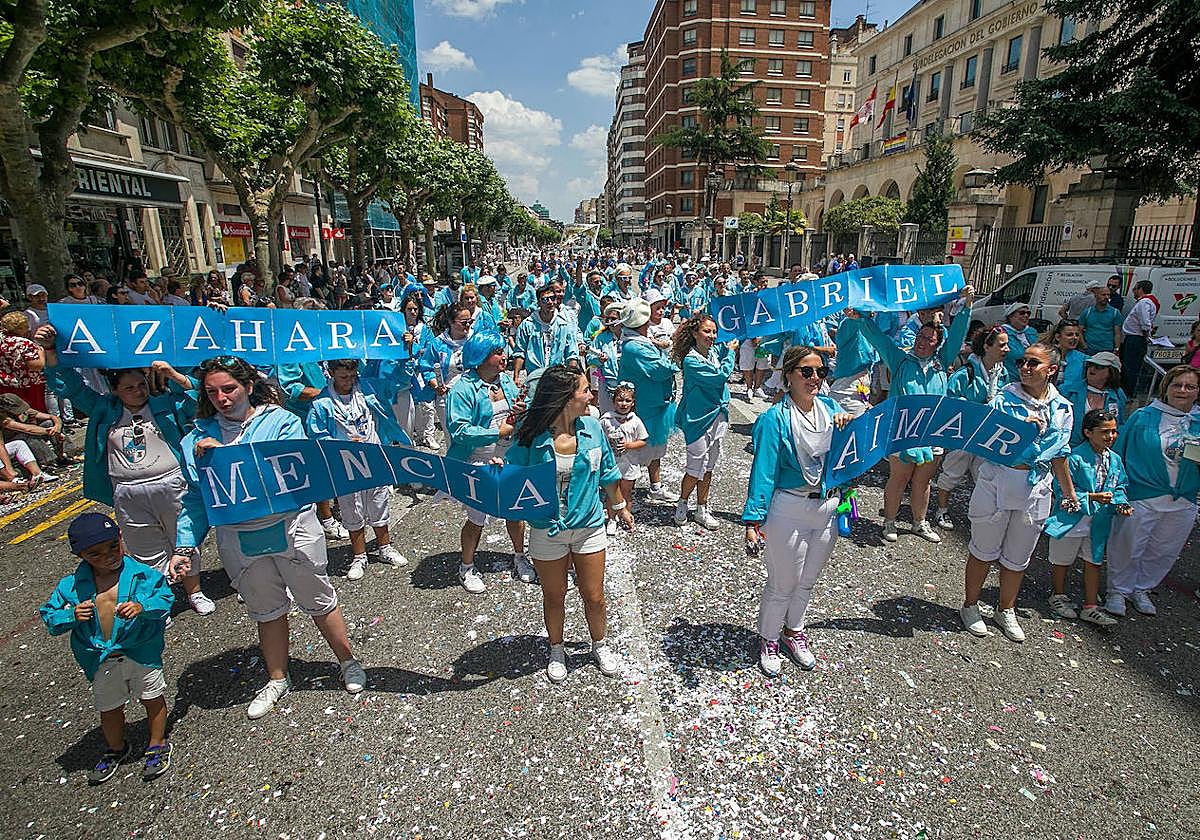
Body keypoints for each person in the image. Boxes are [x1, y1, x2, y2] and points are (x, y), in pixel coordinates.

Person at [170, 356, 367, 719]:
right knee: (267, 609)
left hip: (291, 528)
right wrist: (185, 546)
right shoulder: (196, 438)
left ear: (248, 386)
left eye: (229, 389)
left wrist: (227, 457)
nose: (221, 399)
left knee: (318, 598)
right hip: (240, 538)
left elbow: (288, 472)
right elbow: (196, 499)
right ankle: (277, 678)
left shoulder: (282, 422)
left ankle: (347, 661)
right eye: (212, 392)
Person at [37, 325, 214, 613]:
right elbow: (68, 385)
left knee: (184, 539)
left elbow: (200, 399)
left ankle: (195, 592)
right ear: (115, 390)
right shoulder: (103, 409)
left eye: (141, 385)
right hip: (127, 491)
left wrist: (173, 375)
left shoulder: (165, 403)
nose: (138, 391)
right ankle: (156, 602)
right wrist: (51, 350)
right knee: (145, 548)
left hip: (172, 483)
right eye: (129, 388)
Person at [507, 362, 632, 683]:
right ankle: (556, 649)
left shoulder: (592, 428)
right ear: (566, 398)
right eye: (585, 391)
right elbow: (512, 473)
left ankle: (599, 645)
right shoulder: (531, 435)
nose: (591, 396)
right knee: (555, 596)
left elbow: (608, 472)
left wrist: (620, 506)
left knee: (595, 596)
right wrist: (497, 470)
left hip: (588, 526)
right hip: (547, 530)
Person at [743, 346, 853, 677]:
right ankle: (769, 638)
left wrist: (849, 426)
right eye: (806, 371)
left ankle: (794, 632)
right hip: (789, 507)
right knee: (783, 583)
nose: (815, 378)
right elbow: (763, 472)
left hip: (827, 507)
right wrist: (753, 520)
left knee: (807, 581)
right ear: (788, 375)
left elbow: (852, 454)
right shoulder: (774, 419)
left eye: (821, 372)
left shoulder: (831, 409)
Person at [40, 513, 174, 784]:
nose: (108, 556)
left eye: (113, 546)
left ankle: (158, 742)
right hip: (102, 658)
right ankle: (116, 748)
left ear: (120, 538)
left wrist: (142, 607)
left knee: (152, 698)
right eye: (95, 554)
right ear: (80, 555)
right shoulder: (70, 587)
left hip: (140, 652)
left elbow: (165, 598)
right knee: (109, 708)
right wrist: (70, 615)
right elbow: (50, 618)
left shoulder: (141, 575)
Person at [960, 343, 1076, 643]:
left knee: (1018, 556)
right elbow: (982, 437)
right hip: (998, 481)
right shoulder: (1003, 399)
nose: (1025, 367)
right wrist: (1016, 428)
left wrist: (1069, 493)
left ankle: (1005, 609)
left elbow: (1060, 454)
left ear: (1051, 370)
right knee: (983, 549)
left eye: (1033, 363)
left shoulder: (1063, 408)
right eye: (1023, 361)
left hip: (1036, 488)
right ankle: (970, 605)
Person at [854, 285, 976, 543]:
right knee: (899, 479)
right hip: (903, 431)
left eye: (929, 339)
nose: (922, 342)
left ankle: (919, 523)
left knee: (924, 481)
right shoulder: (900, 360)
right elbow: (879, 339)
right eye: (920, 337)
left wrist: (967, 305)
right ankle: (889, 522)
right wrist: (862, 317)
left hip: (932, 432)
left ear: (937, 344)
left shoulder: (942, 363)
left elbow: (957, 335)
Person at [1105, 365, 1200, 617]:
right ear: (1166, 388)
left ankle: (1141, 588)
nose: (1182, 390)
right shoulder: (1143, 416)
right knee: (1128, 545)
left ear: (1197, 392)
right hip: (1143, 494)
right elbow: (1119, 453)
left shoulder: (1198, 422)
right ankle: (1117, 590)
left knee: (1163, 550)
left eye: (1190, 386)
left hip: (1184, 498)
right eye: (1177, 385)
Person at [445, 331, 534, 591]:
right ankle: (466, 567)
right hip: (477, 461)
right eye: (497, 353)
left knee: (515, 512)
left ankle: (520, 556)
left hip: (509, 457)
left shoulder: (505, 381)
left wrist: (521, 411)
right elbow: (459, 430)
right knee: (477, 518)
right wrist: (496, 432)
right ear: (481, 356)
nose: (504, 357)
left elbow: (516, 414)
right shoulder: (461, 389)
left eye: (503, 351)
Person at [306, 360, 410, 581]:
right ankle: (359, 556)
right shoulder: (322, 403)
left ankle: (385, 547)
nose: (349, 381)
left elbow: (398, 382)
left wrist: (405, 357)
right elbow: (316, 435)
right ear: (331, 373)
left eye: (353, 375)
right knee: (351, 507)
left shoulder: (368, 387)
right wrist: (340, 445)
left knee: (379, 502)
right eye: (343, 377)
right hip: (345, 464)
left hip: (373, 457)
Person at [1043, 409, 1128, 627]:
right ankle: (1058, 595)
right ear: (1088, 432)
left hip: (1099, 521)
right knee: (1062, 560)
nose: (1110, 436)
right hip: (1071, 520)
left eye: (1114, 431)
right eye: (1105, 432)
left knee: (1094, 561)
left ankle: (1091, 606)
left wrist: (1121, 503)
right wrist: (1091, 497)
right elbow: (1062, 489)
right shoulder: (1074, 458)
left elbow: (1120, 486)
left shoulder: (1114, 460)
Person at [933, 325, 1011, 530]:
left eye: (1007, 345)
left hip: (988, 433)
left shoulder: (1002, 374)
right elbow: (950, 400)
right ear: (987, 346)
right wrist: (979, 407)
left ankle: (979, 513)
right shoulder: (966, 372)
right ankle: (941, 509)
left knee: (984, 474)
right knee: (953, 471)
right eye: (1002, 345)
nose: (1007, 349)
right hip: (964, 432)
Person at [671, 314, 737, 529]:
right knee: (695, 466)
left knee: (709, 466)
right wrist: (732, 353)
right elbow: (720, 377)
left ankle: (702, 507)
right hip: (697, 419)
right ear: (694, 333)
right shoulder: (691, 360)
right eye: (707, 331)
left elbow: (728, 342)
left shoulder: (713, 352)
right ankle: (682, 502)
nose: (712, 336)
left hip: (717, 414)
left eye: (714, 332)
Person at [616, 297, 679, 504]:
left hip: (654, 403)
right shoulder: (634, 347)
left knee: (656, 447)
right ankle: (624, 499)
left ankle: (655, 486)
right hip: (643, 407)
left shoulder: (641, 340)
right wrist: (679, 354)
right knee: (634, 454)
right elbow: (660, 369)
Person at [512, 283, 581, 390]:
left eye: (552, 298)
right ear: (539, 303)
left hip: (557, 376)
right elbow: (520, 352)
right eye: (545, 299)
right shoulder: (527, 325)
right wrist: (516, 377)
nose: (550, 302)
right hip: (535, 376)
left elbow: (571, 353)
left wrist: (573, 376)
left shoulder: (563, 324)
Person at [599, 383, 647, 534]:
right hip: (612, 464)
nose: (623, 404)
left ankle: (626, 516)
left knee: (626, 492)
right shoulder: (606, 420)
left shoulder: (635, 421)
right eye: (620, 400)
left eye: (627, 401)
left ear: (633, 403)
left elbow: (643, 440)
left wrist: (629, 445)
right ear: (613, 402)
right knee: (612, 492)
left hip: (630, 463)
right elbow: (599, 438)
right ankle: (612, 519)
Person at [1061, 352, 1127, 445]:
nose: (1092, 369)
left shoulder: (1118, 395)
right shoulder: (1067, 390)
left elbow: (1119, 425)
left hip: (1101, 448)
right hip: (1070, 447)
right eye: (1090, 365)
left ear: (1112, 372)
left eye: (1099, 367)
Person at [0, 311, 47, 411]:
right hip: (26, 386)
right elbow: (36, 365)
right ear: (21, 327)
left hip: (5, 385)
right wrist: (41, 353)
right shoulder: (24, 343)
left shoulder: (2, 341)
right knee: (31, 412)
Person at [1120, 280, 1157, 394]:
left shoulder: (1144, 302)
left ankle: (1128, 391)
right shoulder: (1146, 302)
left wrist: (1146, 335)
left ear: (1141, 289)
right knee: (1130, 366)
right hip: (1135, 337)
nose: (1133, 291)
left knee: (1131, 367)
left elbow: (1145, 322)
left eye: (1135, 288)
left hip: (1135, 338)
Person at [999, 303, 1040, 381]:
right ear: (1011, 316)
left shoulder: (1032, 332)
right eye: (1022, 313)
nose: (1026, 315)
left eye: (1028, 313)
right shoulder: (1002, 333)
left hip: (1032, 379)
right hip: (1010, 380)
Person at [1078, 282, 1123, 353]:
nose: (1106, 297)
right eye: (1103, 295)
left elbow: (1117, 334)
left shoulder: (1115, 313)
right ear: (1096, 296)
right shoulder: (1087, 312)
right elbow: (1079, 331)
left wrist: (1117, 348)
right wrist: (1084, 345)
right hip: (1089, 349)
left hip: (1107, 349)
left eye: (1108, 295)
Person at [1046, 318, 1087, 389]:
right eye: (1069, 335)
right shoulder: (1045, 355)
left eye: (1077, 335)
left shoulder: (1084, 359)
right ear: (1058, 337)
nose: (1075, 337)